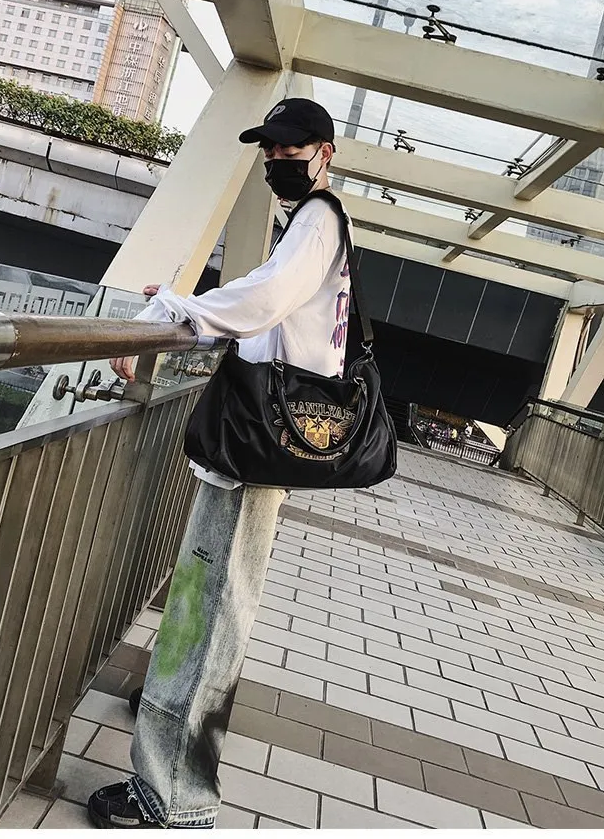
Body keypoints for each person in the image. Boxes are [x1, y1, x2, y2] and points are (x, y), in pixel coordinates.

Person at [88, 98, 351, 829]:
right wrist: (189, 311)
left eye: (291, 149)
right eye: (270, 150)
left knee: (214, 609)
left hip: (258, 443)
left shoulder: (318, 219)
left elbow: (262, 303)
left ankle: (176, 799)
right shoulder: (309, 223)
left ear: (326, 152)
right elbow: (266, 317)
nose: (277, 161)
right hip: (258, 440)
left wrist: (182, 308)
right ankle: (169, 709)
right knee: (205, 595)